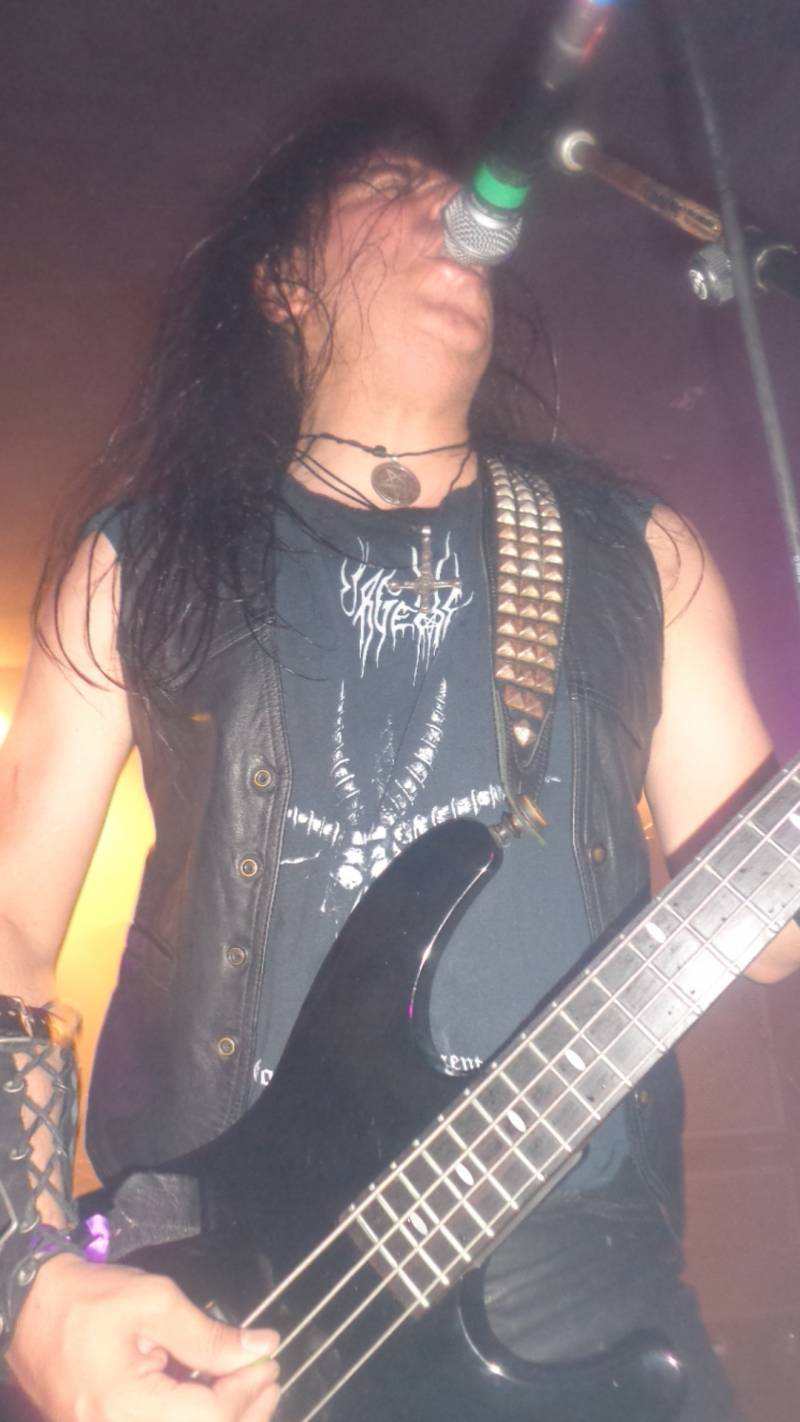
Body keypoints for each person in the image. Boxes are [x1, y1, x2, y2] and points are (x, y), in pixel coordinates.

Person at [1, 96, 798, 1422]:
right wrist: (21, 1280)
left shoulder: (638, 554)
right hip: (218, 1300)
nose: (454, 212)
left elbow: (769, 930)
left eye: (456, 192)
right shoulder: (138, 561)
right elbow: (13, 929)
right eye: (390, 189)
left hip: (580, 1287)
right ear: (282, 282)